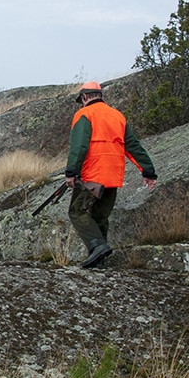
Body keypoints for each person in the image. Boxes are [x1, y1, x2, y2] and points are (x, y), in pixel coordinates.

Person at [65, 81, 157, 268]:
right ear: (100, 96)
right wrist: (148, 171)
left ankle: (97, 246)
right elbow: (133, 147)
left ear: (84, 97)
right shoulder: (117, 116)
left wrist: (71, 171)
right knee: (99, 216)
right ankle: (100, 260)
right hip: (113, 176)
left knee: (77, 211)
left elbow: (79, 145)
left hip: (93, 174)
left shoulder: (84, 114)